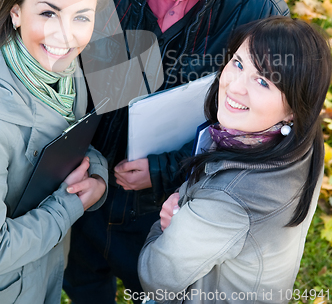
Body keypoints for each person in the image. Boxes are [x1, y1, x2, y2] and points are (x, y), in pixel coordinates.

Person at [64, 0, 290, 303]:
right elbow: (57, 77)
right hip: (83, 195)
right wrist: (76, 163)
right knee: (84, 287)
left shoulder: (260, 13)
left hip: (173, 210)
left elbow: (266, 137)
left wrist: (168, 169)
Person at [138, 16, 332, 304]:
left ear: (294, 108)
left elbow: (155, 278)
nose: (234, 86)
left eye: (263, 81)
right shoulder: (299, 136)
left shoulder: (227, 202)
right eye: (239, 64)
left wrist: (170, 224)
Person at [0, 0, 110, 304]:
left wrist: (97, 175)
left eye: (81, 17)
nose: (65, 34)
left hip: (42, 271)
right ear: (16, 12)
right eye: (48, 13)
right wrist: (70, 205)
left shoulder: (65, 68)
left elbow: (67, 139)